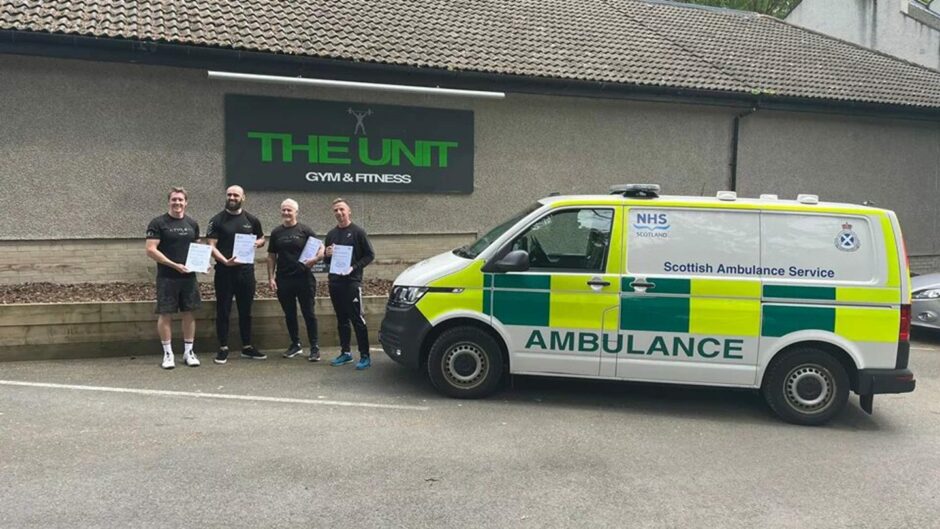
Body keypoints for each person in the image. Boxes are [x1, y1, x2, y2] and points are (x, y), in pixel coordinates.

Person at [207, 185, 266, 364]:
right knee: (223, 310)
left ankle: (247, 347)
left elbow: (262, 238)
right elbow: (211, 246)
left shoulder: (251, 219)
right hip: (224, 272)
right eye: (229, 194)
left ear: (243, 198)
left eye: (236, 195)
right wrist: (225, 261)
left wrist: (258, 243)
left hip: (246, 273)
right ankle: (223, 347)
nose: (232, 197)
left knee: (245, 310)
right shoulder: (216, 220)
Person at [145, 186, 201, 370]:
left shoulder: (192, 224)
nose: (177, 203)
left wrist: (202, 264)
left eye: (180, 200)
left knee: (189, 313)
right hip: (167, 277)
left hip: (189, 278)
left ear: (186, 202)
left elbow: (197, 248)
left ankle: (188, 352)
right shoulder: (158, 223)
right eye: (174, 199)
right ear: (169, 201)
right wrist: (174, 265)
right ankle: (168, 354)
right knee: (165, 314)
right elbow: (151, 250)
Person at [267, 198, 325, 362]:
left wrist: (316, 259)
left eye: (289, 210)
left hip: (304, 279)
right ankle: (295, 344)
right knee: (289, 314)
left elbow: (320, 247)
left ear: (296, 213)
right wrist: (271, 277)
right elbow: (271, 257)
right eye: (284, 210)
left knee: (309, 313)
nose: (286, 213)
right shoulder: (276, 232)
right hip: (284, 279)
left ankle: (314, 347)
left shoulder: (304, 230)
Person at [324, 198, 375, 370]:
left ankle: (365, 355)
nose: (338, 213)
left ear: (348, 211)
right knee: (341, 319)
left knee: (357, 319)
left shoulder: (358, 232)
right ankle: (345, 353)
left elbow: (369, 255)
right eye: (335, 210)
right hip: (335, 282)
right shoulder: (331, 234)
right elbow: (325, 261)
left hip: (352, 283)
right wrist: (327, 254)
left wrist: (353, 267)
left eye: (341, 209)